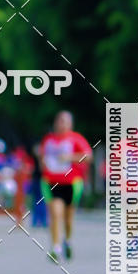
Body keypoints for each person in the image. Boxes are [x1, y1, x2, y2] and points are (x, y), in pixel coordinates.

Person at [39, 111, 92, 262]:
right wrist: (43, 162)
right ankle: (56, 248)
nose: (61, 124)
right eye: (59, 120)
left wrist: (70, 157)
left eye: (64, 121)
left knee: (68, 218)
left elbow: (88, 156)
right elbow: (42, 156)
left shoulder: (76, 139)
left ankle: (67, 240)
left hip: (71, 183)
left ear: (70, 124)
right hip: (51, 182)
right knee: (55, 214)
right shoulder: (48, 139)